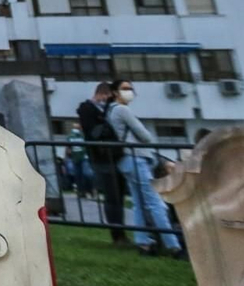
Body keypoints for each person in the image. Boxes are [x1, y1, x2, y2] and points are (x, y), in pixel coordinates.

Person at [107, 80, 185, 258]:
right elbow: (145, 135)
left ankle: (143, 243)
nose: (129, 92)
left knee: (140, 204)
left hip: (126, 160)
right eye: (125, 89)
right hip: (136, 159)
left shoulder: (111, 111)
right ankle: (174, 246)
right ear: (115, 92)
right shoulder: (122, 110)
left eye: (130, 89)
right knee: (155, 203)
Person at [77, 82, 127, 244]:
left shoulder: (102, 109)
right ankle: (117, 233)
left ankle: (120, 231)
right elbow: (95, 132)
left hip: (112, 156)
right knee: (112, 196)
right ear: (103, 94)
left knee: (118, 195)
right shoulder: (88, 110)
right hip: (102, 157)